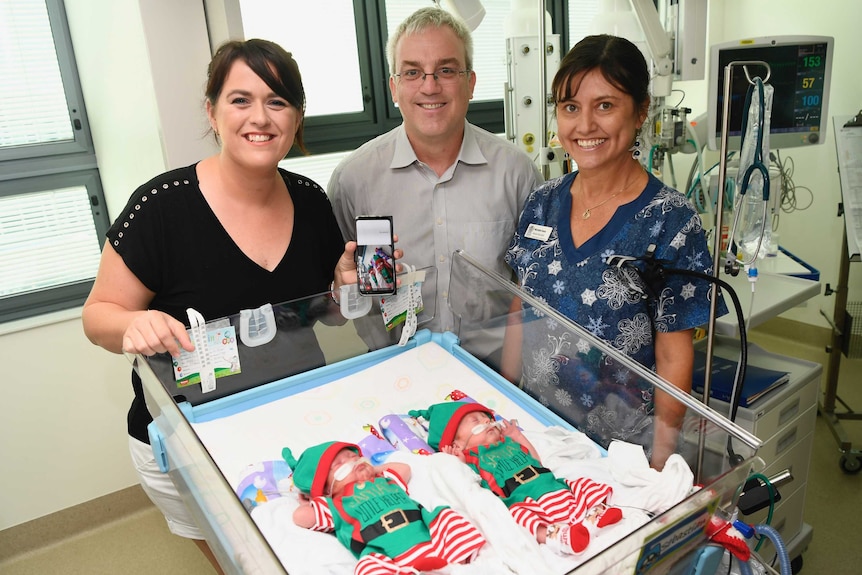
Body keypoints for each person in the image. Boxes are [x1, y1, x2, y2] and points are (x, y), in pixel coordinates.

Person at [81, 39, 367, 573]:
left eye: (278, 102)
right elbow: (97, 316)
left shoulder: (310, 200)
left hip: (294, 418)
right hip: (192, 439)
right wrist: (133, 321)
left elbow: (319, 314)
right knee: (246, 561)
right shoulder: (160, 208)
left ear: (297, 117)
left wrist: (341, 288)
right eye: (240, 100)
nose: (260, 117)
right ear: (211, 111)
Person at [503, 35, 725, 470]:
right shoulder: (542, 202)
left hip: (621, 451)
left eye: (605, 105)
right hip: (537, 433)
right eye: (570, 108)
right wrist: (506, 405)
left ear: (641, 110)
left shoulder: (671, 221)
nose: (585, 125)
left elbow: (673, 355)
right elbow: (519, 309)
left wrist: (660, 462)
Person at [328, 6, 542, 349]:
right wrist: (341, 285)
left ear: (470, 83)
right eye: (412, 72)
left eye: (446, 70)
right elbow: (335, 301)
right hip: (392, 369)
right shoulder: (353, 180)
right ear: (394, 88)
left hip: (493, 371)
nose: (430, 86)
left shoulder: (517, 174)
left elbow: (536, 292)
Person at [408, 401, 622, 555]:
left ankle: (594, 516)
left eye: (487, 418)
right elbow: (469, 485)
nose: (486, 421)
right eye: (476, 421)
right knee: (519, 517)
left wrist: (518, 436)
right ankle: (555, 537)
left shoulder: (508, 443)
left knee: (582, 484)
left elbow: (537, 462)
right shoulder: (471, 457)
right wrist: (457, 461)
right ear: (457, 442)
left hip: (551, 486)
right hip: (522, 500)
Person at [283, 441, 486, 574]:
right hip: (387, 554)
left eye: (355, 457)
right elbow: (300, 517)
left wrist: (373, 469)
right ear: (327, 489)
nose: (353, 462)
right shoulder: (334, 503)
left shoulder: (385, 480)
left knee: (445, 514)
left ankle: (462, 559)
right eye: (340, 464)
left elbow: (404, 469)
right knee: (367, 566)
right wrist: (311, 501)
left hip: (427, 536)